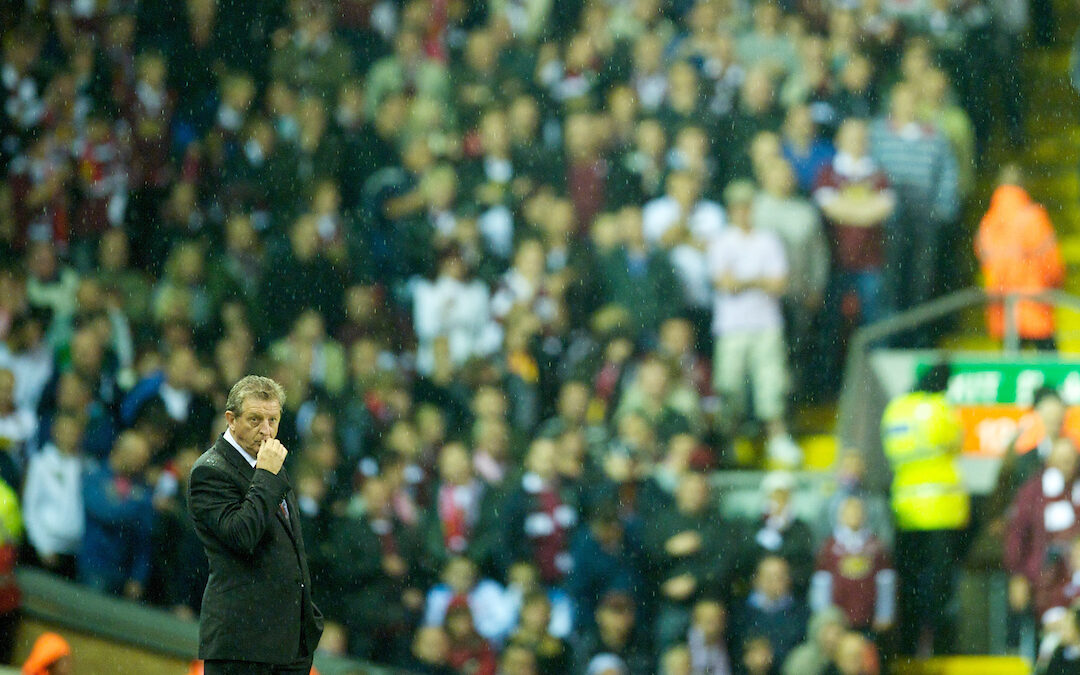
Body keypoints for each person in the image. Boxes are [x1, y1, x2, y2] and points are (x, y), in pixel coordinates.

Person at [188, 375, 323, 674]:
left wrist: (307, 618)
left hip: (287, 644)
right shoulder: (210, 472)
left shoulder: (271, 465)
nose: (266, 430)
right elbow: (242, 535)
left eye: (273, 419)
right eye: (255, 419)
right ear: (230, 420)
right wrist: (266, 475)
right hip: (243, 643)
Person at [881, 364, 969, 656]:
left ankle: (907, 649)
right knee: (941, 592)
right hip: (940, 513)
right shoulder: (939, 408)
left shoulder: (895, 409)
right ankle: (943, 651)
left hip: (904, 512)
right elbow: (956, 441)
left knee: (908, 589)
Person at [975, 163, 1065, 350]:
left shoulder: (987, 223)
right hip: (1035, 308)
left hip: (1002, 312)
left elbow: (985, 263)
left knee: (1010, 371)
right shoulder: (1033, 218)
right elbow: (1052, 265)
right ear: (1023, 185)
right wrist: (1055, 288)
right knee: (1050, 370)